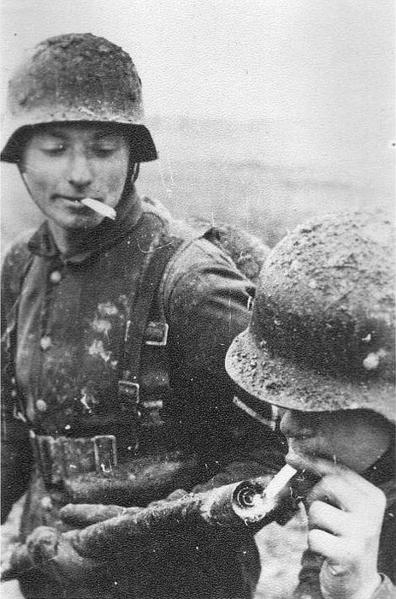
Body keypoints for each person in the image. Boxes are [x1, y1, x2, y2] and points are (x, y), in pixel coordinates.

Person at [1, 33, 285, 599]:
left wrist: (133, 539)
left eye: (103, 149)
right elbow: (12, 426)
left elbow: (271, 463)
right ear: (21, 158)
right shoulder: (21, 267)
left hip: (178, 582)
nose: (79, 174)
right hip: (48, 578)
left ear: (133, 158)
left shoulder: (187, 282)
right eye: (55, 149)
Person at [225, 209, 395, 599]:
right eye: (281, 401)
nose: (287, 424)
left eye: (316, 404)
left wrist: (364, 591)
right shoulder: (363, 470)